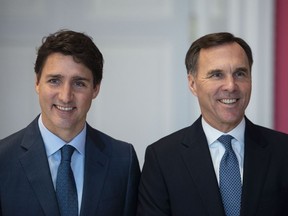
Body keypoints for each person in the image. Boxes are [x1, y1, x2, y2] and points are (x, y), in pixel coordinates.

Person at [137, 32, 288, 216]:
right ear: (192, 84)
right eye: (217, 75)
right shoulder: (162, 158)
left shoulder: (283, 151)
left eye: (240, 73)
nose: (231, 86)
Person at [0, 29, 140, 216]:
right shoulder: (3, 159)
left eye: (79, 83)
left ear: (95, 89)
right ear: (37, 83)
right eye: (54, 81)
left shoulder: (123, 160)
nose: (66, 96)